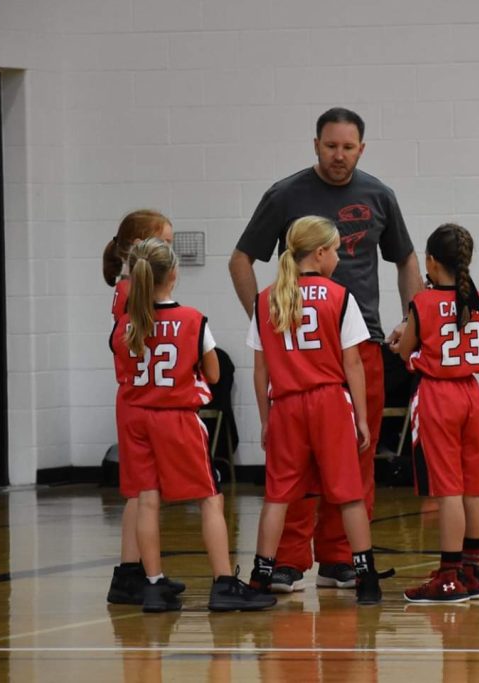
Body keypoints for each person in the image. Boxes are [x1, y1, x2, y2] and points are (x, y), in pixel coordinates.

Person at [229, 107, 423, 592]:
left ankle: (341, 559)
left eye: (348, 147)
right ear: (315, 144)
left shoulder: (379, 195)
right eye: (331, 146)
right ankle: (289, 561)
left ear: (362, 148)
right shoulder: (285, 194)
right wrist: (265, 322)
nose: (339, 155)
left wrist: (411, 320)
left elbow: (406, 259)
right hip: (299, 354)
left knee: (356, 454)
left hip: (362, 345)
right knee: (293, 464)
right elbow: (240, 260)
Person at [111, 237, 276, 613]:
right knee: (210, 497)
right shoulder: (192, 320)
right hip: (177, 418)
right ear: (174, 274)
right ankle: (223, 582)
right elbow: (214, 375)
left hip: (136, 418)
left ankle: (153, 585)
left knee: (147, 499)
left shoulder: (125, 324)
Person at [245, 216, 390, 605]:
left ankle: (260, 577)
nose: (339, 258)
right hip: (329, 402)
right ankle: (366, 577)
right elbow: (353, 364)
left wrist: (265, 419)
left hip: (285, 404)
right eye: (337, 250)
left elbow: (260, 371)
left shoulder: (266, 298)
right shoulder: (340, 296)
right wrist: (362, 418)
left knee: (278, 496)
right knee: (349, 494)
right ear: (321, 252)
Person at [397, 224, 479, 603]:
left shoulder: (422, 302)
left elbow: (405, 351)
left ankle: (449, 576)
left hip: (438, 394)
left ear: (432, 262)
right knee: (474, 488)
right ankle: (472, 572)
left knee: (448, 490)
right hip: (471, 393)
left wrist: (404, 343)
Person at [103, 210, 185, 606]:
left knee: (140, 492)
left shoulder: (131, 287)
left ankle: (130, 570)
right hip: (138, 398)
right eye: (164, 242)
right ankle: (129, 573)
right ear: (139, 247)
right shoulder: (129, 291)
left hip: (138, 397)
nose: (169, 249)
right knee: (139, 492)